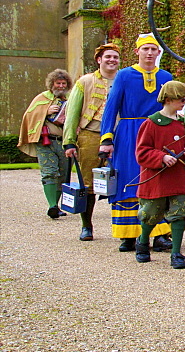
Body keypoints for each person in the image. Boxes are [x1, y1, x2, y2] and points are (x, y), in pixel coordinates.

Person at [99, 35, 173, 252]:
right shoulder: (123, 75)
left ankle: (159, 233)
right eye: (145, 49)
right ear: (137, 52)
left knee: (157, 180)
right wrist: (107, 139)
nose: (149, 53)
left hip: (157, 133)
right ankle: (128, 234)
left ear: (158, 53)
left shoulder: (166, 76)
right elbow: (111, 108)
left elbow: (173, 107)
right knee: (128, 180)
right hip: (129, 133)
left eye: (153, 49)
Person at [134, 80, 185, 268]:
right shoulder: (151, 123)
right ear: (168, 100)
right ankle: (142, 242)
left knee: (180, 214)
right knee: (151, 214)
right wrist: (161, 157)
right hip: (157, 180)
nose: (184, 102)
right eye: (180, 99)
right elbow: (141, 152)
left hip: (179, 178)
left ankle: (176, 253)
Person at [63, 43, 121, 241]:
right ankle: (86, 225)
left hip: (118, 136)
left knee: (119, 179)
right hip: (90, 135)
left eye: (115, 57)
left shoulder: (124, 79)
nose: (112, 60)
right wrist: (69, 141)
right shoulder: (85, 81)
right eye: (108, 57)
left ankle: (123, 227)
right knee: (88, 182)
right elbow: (72, 113)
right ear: (99, 60)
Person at [18, 69, 73, 219]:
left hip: (63, 143)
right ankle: (52, 206)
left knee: (62, 175)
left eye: (64, 83)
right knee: (49, 172)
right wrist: (46, 111)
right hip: (45, 142)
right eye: (58, 83)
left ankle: (56, 205)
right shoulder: (41, 98)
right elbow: (29, 115)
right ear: (52, 84)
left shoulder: (70, 100)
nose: (61, 86)